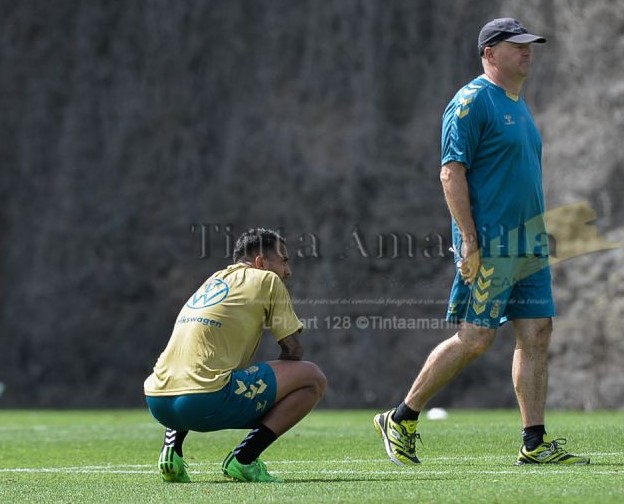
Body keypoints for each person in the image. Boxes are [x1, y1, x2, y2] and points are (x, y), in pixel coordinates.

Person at [374, 17, 589, 466]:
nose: (528, 52)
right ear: (490, 54)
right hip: (491, 243)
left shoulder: (520, 105)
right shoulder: (471, 102)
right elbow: (450, 172)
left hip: (527, 244)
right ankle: (402, 416)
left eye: (530, 45)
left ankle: (533, 442)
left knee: (537, 332)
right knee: (475, 338)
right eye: (517, 46)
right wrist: (468, 241)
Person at [144, 228, 327, 483]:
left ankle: (171, 451)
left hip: (157, 401)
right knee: (312, 378)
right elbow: (293, 350)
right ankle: (244, 459)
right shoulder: (267, 280)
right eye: (284, 261)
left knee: (195, 366)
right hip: (203, 402)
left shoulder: (215, 279)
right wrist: (276, 389)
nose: (288, 271)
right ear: (262, 262)